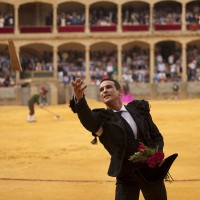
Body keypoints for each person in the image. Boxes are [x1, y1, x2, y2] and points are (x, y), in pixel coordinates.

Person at [69, 77, 168, 200]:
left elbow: (156, 135)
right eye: (101, 89)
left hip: (150, 171)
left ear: (120, 92)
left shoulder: (138, 110)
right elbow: (88, 120)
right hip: (126, 176)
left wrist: (158, 154)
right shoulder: (102, 119)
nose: (104, 91)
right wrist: (79, 99)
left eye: (108, 87)